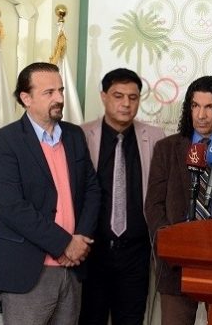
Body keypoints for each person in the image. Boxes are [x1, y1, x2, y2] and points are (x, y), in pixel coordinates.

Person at [0, 62, 101, 325]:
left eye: (61, 90)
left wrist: (81, 239)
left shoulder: (74, 135)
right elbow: (12, 207)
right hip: (27, 270)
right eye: (49, 92)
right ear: (26, 98)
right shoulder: (4, 141)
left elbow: (92, 189)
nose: (59, 98)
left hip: (73, 267)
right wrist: (65, 244)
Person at [144, 75, 212, 325]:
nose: (201, 115)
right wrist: (170, 244)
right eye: (195, 106)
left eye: (209, 107)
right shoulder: (167, 148)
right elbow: (153, 205)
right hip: (176, 264)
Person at [79, 68, 165, 325]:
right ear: (104, 96)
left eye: (133, 97)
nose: (126, 104)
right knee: (89, 318)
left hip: (136, 253)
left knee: (131, 319)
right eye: (118, 96)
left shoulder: (155, 138)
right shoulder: (81, 135)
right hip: (92, 251)